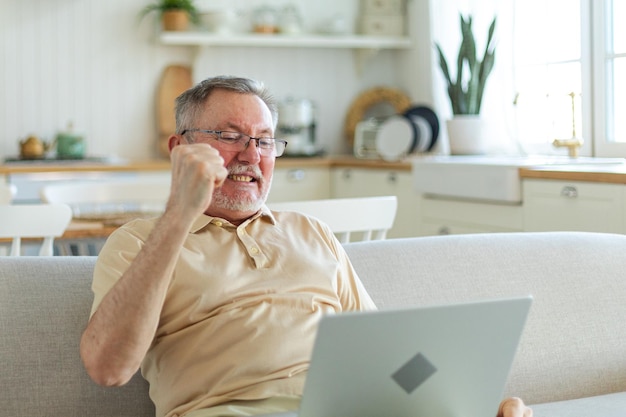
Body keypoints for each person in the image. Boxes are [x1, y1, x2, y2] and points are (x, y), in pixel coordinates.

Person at [79, 75, 532, 417]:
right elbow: (108, 367)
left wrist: (460, 405)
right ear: (181, 149)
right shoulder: (139, 242)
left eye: (263, 140)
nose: (251, 155)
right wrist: (179, 213)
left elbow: (383, 355)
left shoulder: (312, 233)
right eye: (230, 136)